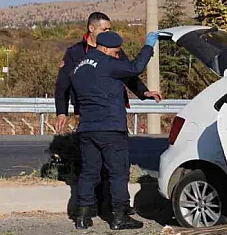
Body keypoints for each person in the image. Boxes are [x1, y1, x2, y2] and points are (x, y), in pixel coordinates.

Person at [55, 12, 162, 216]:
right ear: (92, 29)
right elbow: (133, 68)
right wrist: (62, 111)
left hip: (87, 125)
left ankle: (84, 216)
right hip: (109, 123)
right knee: (118, 171)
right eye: (105, 29)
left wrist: (143, 92)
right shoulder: (76, 53)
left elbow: (128, 75)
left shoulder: (82, 64)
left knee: (91, 171)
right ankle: (119, 215)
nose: (108, 32)